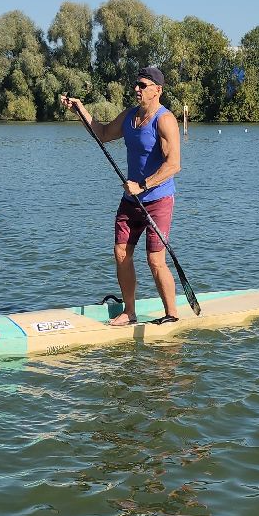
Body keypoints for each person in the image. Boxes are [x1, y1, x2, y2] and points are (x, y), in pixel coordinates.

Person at [61, 66, 182, 326]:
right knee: (121, 253)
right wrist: (80, 110)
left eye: (142, 85)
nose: (136, 89)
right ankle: (129, 311)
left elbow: (174, 165)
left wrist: (143, 184)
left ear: (157, 90)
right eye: (136, 84)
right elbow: (103, 134)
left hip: (158, 199)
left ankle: (171, 315)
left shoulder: (165, 120)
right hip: (131, 200)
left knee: (155, 260)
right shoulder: (129, 117)